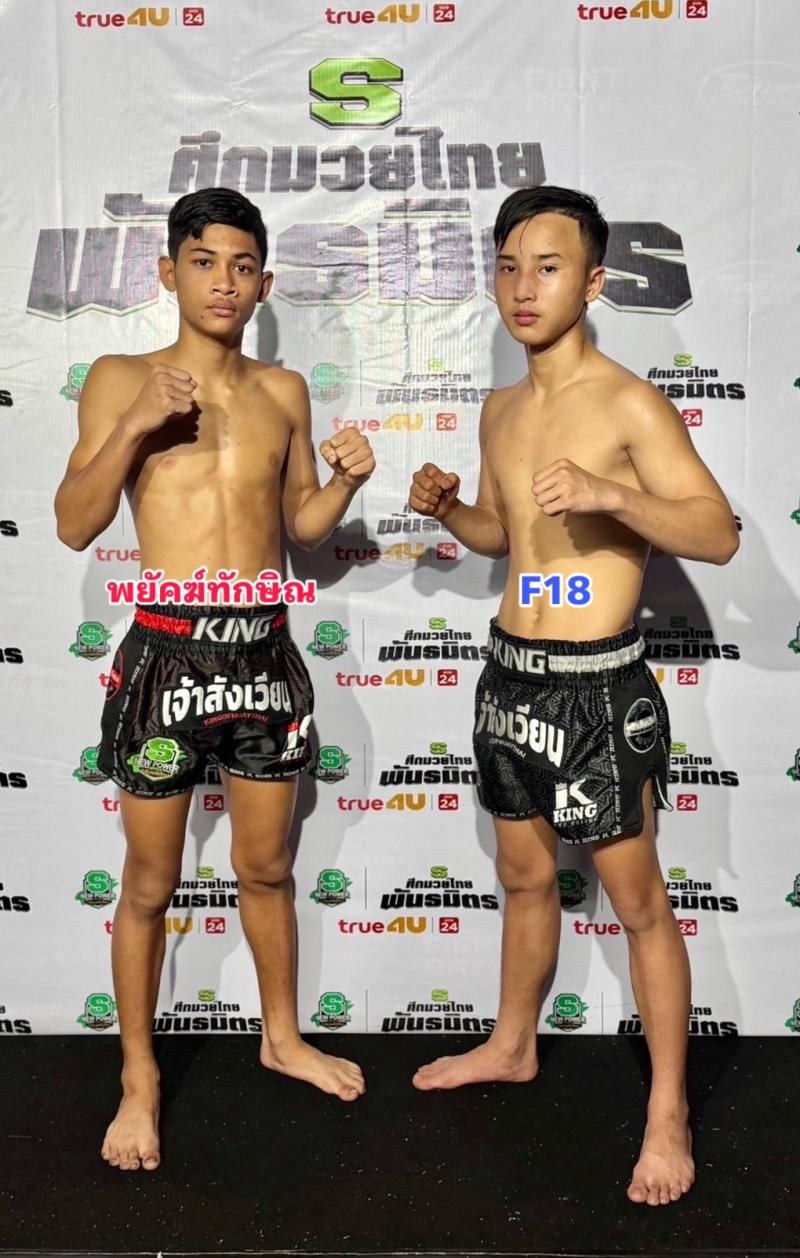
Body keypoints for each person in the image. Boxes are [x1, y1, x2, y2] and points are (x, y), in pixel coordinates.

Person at [408, 185, 739, 1208]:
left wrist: (611, 495)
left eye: (548, 267)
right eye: (509, 266)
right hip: (512, 675)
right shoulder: (500, 407)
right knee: (522, 877)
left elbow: (716, 532)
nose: (524, 286)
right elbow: (508, 538)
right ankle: (512, 1044)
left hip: (600, 689)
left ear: (592, 282)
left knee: (638, 904)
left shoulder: (628, 403)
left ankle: (668, 1111)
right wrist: (451, 510)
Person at [55, 187, 375, 1172]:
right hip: (167, 654)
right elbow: (73, 522)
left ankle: (281, 1038)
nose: (223, 282)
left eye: (241, 266)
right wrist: (135, 425)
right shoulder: (121, 377)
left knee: (266, 867)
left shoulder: (283, 391)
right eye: (203, 262)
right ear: (168, 272)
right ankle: (139, 1081)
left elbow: (301, 528)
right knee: (151, 881)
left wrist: (344, 484)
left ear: (263, 283)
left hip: (263, 652)